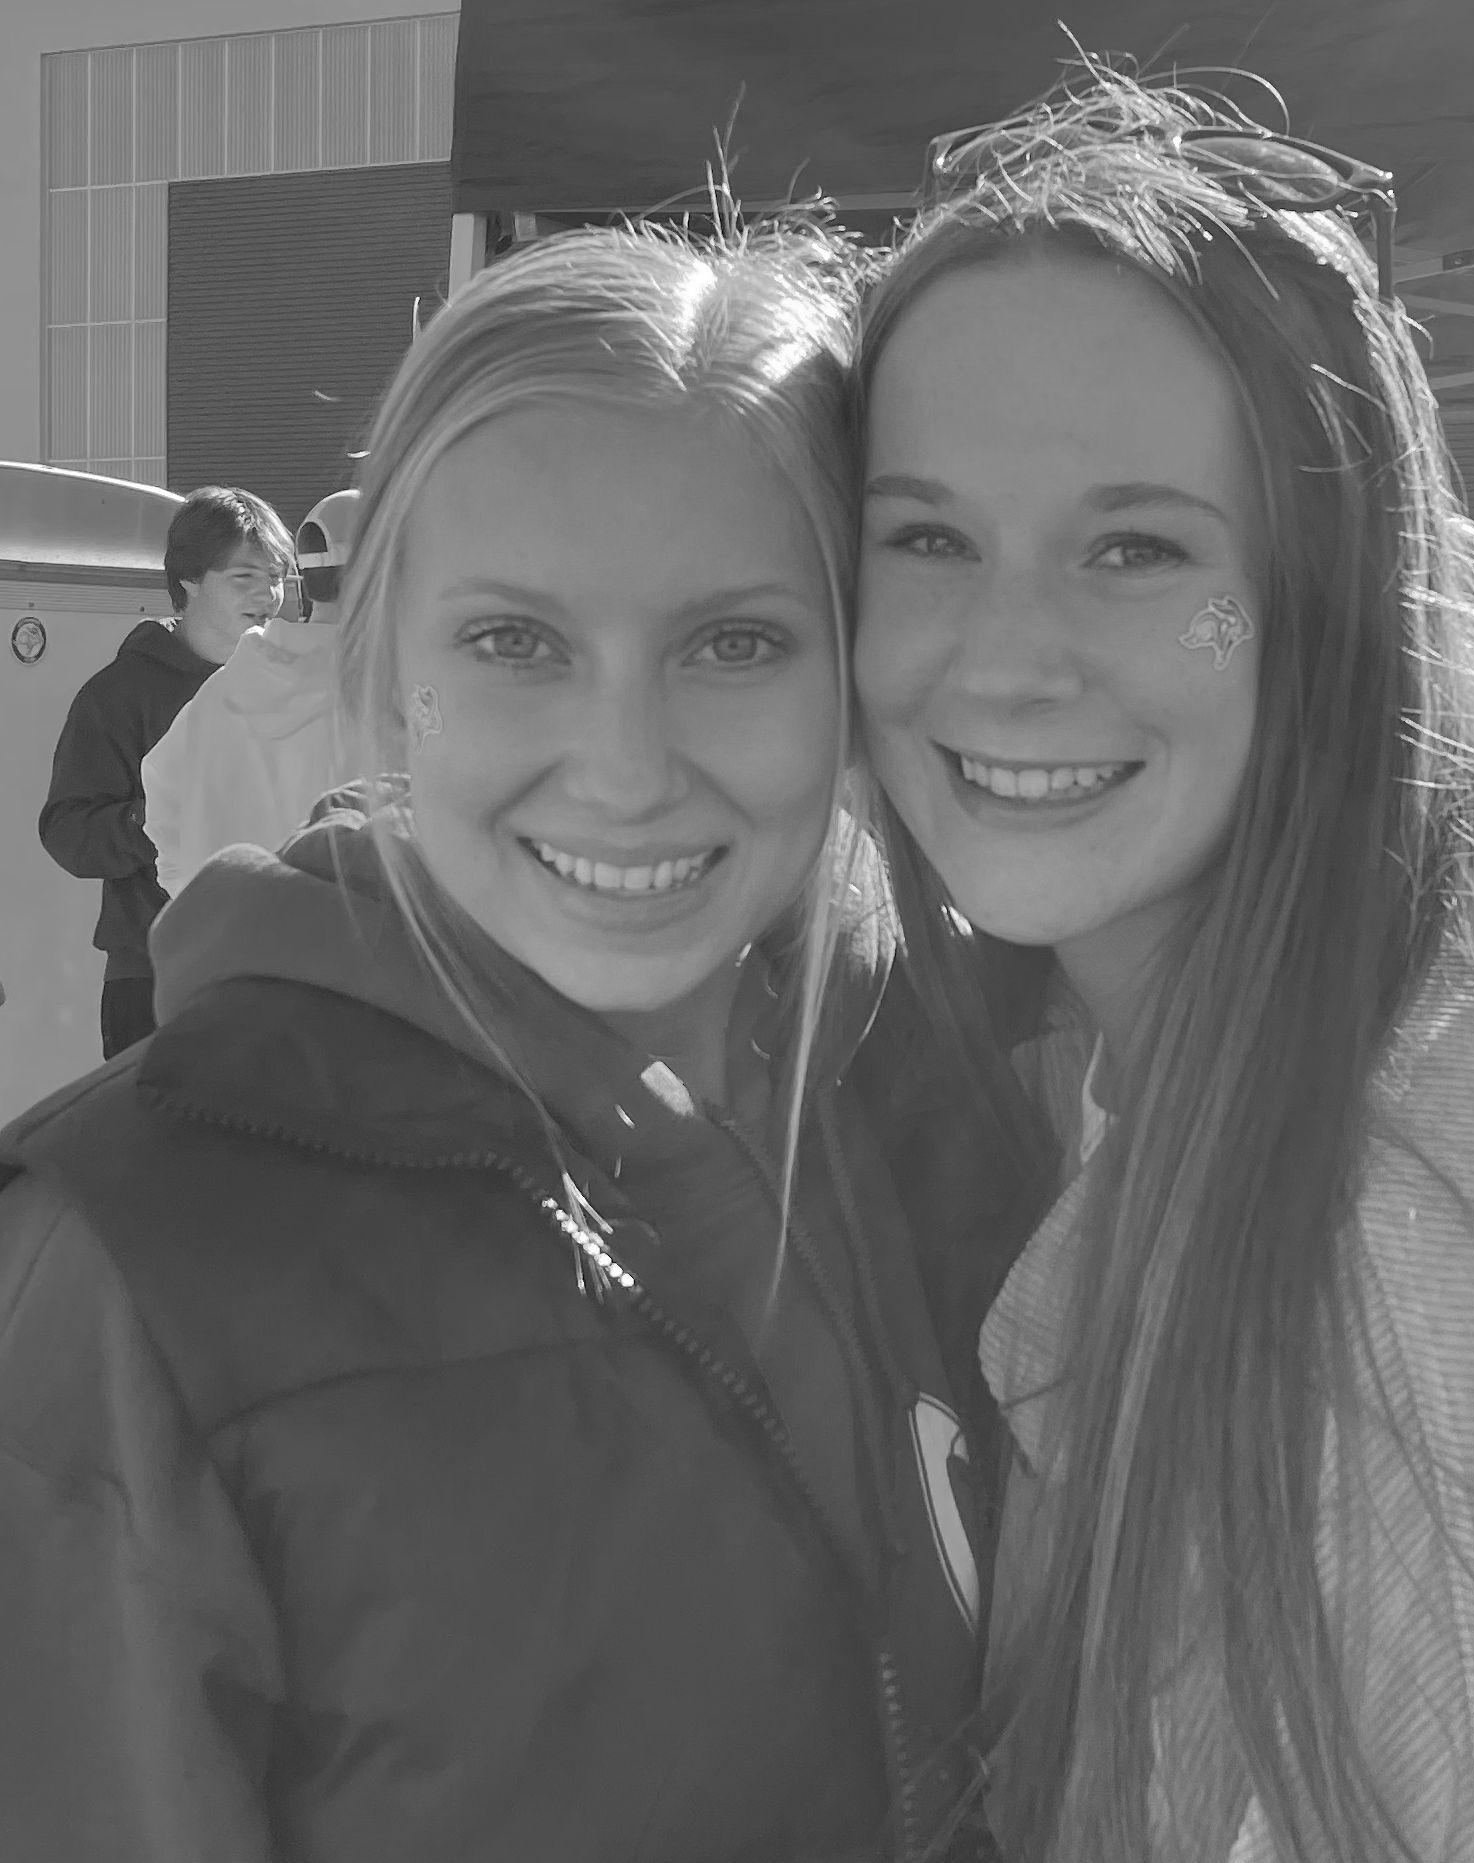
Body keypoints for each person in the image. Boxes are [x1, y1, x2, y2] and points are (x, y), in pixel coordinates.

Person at [853, 66, 1474, 1863]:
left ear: (1326, 597)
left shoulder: (1401, 1259)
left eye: (1135, 545)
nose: (1001, 656)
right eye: (926, 536)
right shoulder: (1204, 1057)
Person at [0, 220, 1024, 1862]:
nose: (624, 767)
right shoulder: (131, 1276)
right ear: (382, 664)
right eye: (514, 643)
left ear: (854, 670)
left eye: (735, 641)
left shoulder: (940, 1101)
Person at [38, 486, 292, 1055]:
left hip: (278, 973)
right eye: (245, 577)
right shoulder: (118, 695)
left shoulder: (293, 685)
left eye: (276, 577)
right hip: (152, 979)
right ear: (189, 579)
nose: (268, 595)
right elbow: (67, 833)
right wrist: (163, 815)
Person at [142, 489, 355, 896]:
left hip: (227, 930)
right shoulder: (384, 699)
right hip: (339, 935)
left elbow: (163, 809)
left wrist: (198, 904)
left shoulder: (221, 691)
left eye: (274, 576)